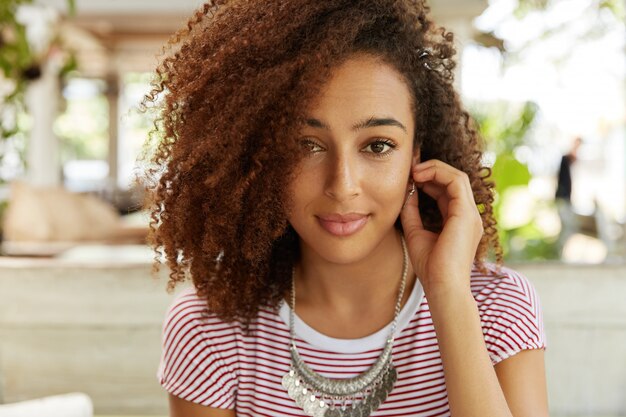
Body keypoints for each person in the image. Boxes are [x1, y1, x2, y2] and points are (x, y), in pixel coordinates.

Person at [141, 1, 549, 416]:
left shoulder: (497, 308)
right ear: (259, 157)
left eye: (377, 146)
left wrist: (447, 294)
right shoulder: (210, 328)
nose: (342, 186)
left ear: (417, 156)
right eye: (306, 145)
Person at [555, 137, 582, 256]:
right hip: (562, 198)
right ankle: (558, 251)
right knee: (567, 226)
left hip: (566, 199)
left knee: (569, 227)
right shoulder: (565, 159)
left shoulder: (571, 161)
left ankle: (560, 252)